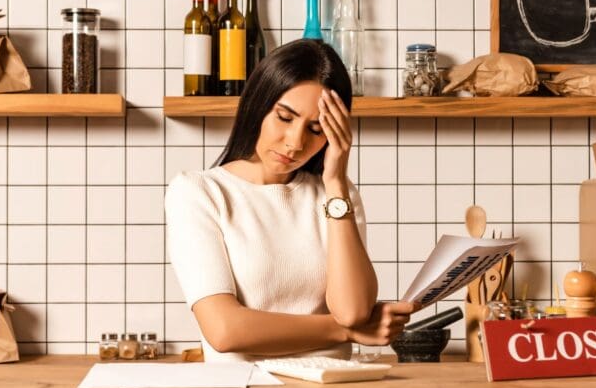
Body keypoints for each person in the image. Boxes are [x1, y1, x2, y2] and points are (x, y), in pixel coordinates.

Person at [165, 39, 417, 361]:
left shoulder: (337, 196)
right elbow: (224, 330)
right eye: (285, 118)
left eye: (315, 129)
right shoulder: (199, 193)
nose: (295, 143)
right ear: (258, 104)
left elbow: (353, 310)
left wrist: (336, 181)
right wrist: (343, 332)